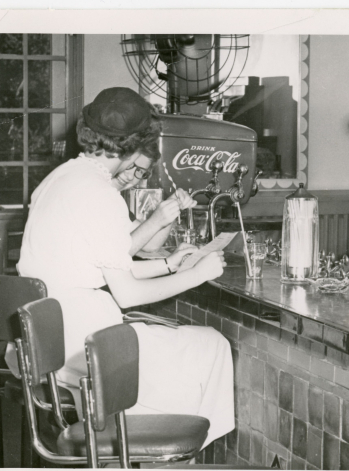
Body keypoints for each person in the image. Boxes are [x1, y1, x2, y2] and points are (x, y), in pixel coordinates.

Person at [11, 87, 234, 448]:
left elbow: (92, 267)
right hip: (89, 349)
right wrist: (197, 274)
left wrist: (169, 264)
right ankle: (166, 458)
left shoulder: (61, 179)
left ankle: (157, 453)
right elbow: (127, 294)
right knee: (211, 345)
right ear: (135, 146)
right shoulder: (98, 193)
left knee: (194, 346)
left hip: (49, 344)